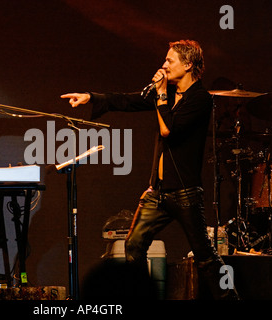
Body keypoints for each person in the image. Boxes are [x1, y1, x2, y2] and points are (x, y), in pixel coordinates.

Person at [61, 40, 238, 299]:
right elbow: (129, 100)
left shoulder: (200, 99)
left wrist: (162, 93)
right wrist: (92, 97)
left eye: (170, 61)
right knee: (133, 246)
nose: (164, 65)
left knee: (205, 257)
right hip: (158, 191)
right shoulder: (163, 93)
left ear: (188, 65)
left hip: (186, 193)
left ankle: (230, 298)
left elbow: (169, 129)